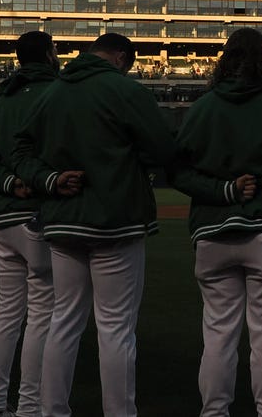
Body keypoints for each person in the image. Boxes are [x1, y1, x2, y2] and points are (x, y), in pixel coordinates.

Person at [14, 32, 175, 417]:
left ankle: (52, 411)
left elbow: (19, 150)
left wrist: (49, 179)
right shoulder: (122, 89)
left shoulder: (53, 91)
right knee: (116, 330)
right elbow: (164, 149)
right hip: (115, 220)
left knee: (64, 322)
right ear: (121, 57)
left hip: (62, 219)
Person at [169, 28, 262, 417]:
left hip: (213, 234)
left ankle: (214, 412)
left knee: (218, 337)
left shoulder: (202, 107)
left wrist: (224, 190)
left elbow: (178, 172)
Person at [0, 31, 59, 417]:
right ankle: (29, 406)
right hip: (40, 213)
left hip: (2, 215)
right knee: (41, 315)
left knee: (6, 314)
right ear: (51, 55)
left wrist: (7, 182)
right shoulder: (58, 95)